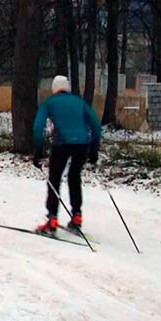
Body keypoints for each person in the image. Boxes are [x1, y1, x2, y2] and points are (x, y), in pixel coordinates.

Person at [32, 75, 101, 237]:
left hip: (62, 144)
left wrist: (39, 150)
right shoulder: (79, 101)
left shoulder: (50, 102)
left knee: (54, 179)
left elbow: (37, 127)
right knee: (74, 177)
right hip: (82, 145)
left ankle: (52, 219)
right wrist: (94, 149)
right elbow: (96, 125)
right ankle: (77, 216)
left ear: (54, 88)